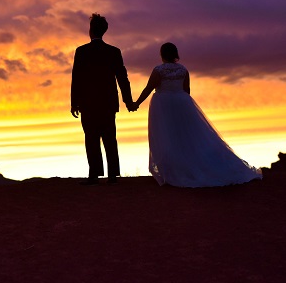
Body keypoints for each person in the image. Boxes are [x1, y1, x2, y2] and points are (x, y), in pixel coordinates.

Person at [133, 42, 262, 187]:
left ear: (162, 54)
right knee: (185, 136)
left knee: (166, 136)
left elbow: (149, 88)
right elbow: (186, 90)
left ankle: (172, 171)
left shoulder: (158, 70)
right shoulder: (183, 70)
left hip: (163, 104)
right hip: (182, 102)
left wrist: (136, 103)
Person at [71, 13, 136, 185]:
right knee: (109, 136)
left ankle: (94, 174)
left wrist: (74, 102)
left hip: (88, 102)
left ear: (90, 30)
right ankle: (113, 174)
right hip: (108, 102)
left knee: (91, 137)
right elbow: (122, 78)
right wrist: (128, 101)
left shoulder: (81, 51)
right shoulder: (113, 52)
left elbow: (76, 78)